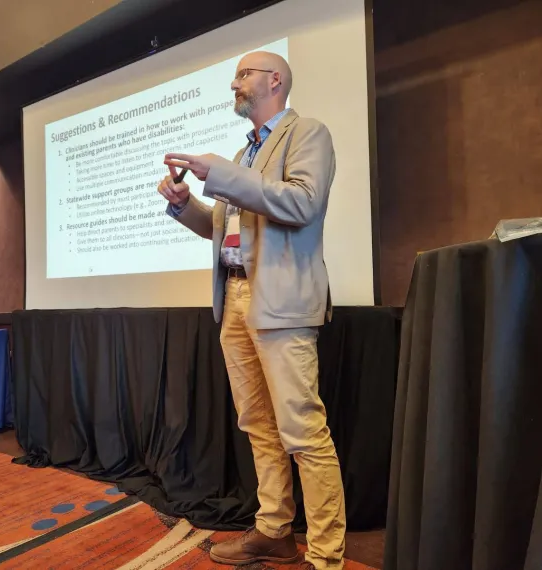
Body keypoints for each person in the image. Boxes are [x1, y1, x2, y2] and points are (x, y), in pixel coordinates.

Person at [157, 51, 345, 569]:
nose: (233, 83)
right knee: (258, 424)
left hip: (282, 303)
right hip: (235, 299)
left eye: (243, 74)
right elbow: (222, 231)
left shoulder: (308, 133)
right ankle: (275, 530)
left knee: (303, 432)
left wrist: (219, 174)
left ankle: (327, 557)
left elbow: (303, 203)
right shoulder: (243, 156)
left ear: (275, 80)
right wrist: (183, 204)